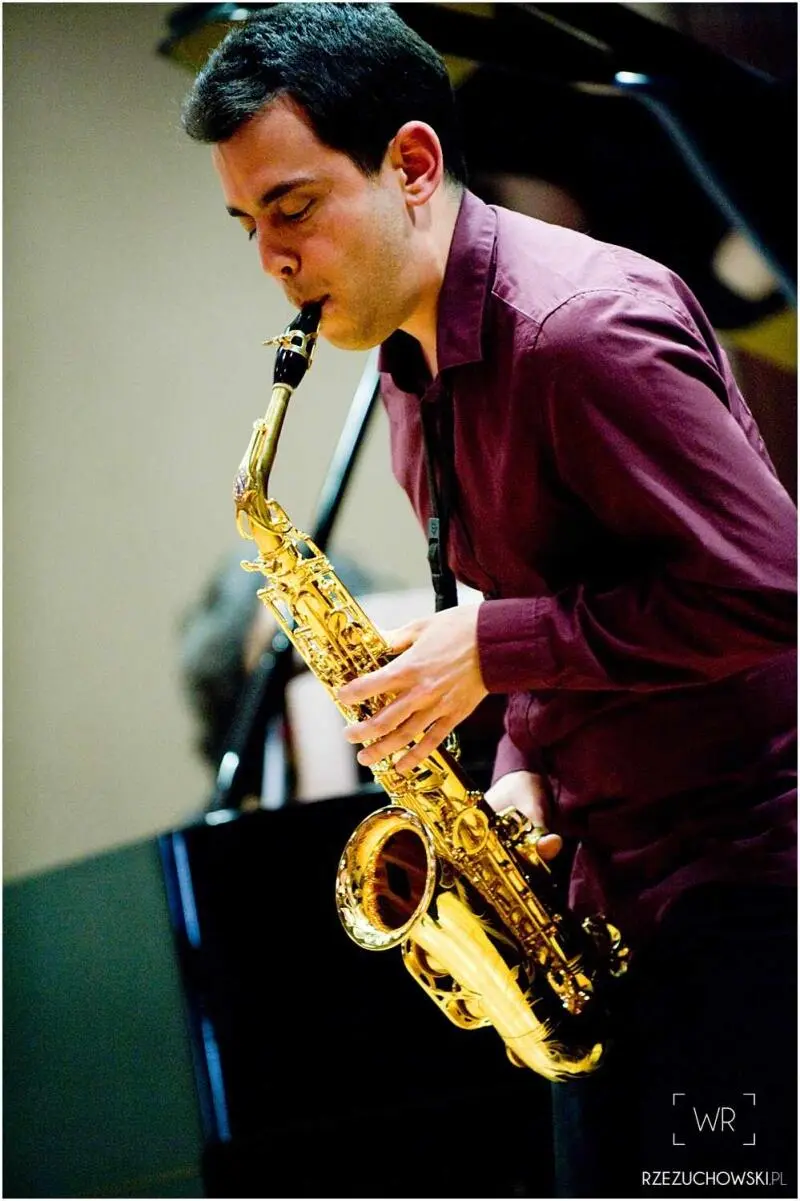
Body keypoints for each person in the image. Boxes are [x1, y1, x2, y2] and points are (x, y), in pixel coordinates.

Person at [181, 5, 797, 1195]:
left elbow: (769, 589)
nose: (271, 259)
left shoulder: (579, 332)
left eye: (294, 206)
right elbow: (548, 599)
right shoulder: (407, 369)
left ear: (412, 165)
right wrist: (519, 766)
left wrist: (488, 646)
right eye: (249, 223)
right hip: (612, 913)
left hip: (747, 907)